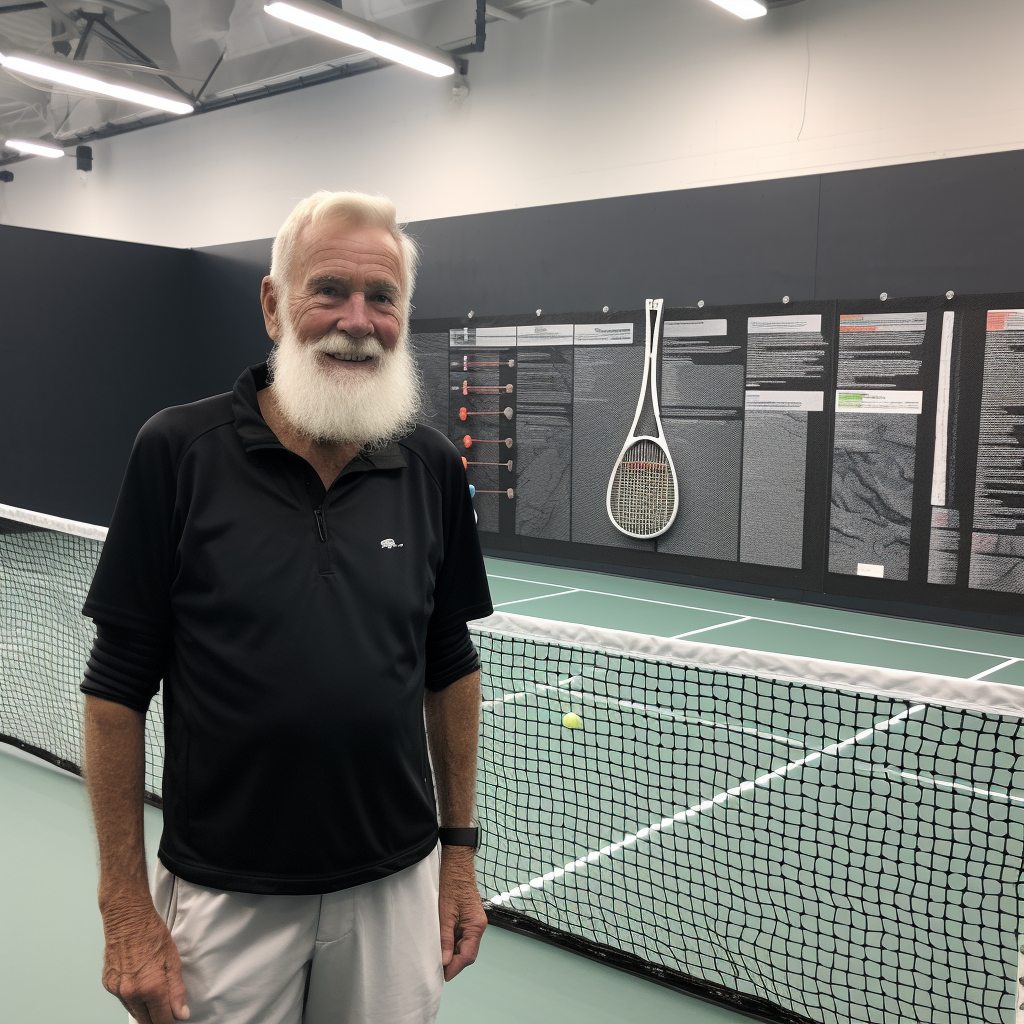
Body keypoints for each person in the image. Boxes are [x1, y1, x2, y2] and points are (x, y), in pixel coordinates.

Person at [80, 190, 493, 1024]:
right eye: (329, 289)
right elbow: (116, 688)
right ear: (274, 304)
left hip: (394, 884)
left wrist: (457, 857)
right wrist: (124, 905)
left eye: (383, 298)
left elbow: (449, 666)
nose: (358, 318)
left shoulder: (432, 468)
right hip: (225, 890)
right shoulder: (177, 451)